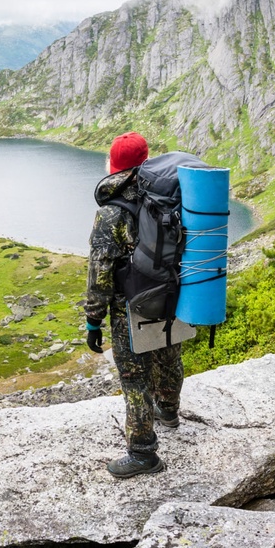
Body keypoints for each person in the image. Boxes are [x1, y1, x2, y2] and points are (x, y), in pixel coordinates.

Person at [85, 131, 184, 479]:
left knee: (134, 378)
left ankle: (143, 453)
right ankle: (169, 410)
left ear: (114, 165)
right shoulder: (171, 196)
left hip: (133, 304)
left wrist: (93, 321)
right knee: (169, 355)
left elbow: (100, 272)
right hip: (172, 293)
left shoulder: (112, 211)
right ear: (146, 160)